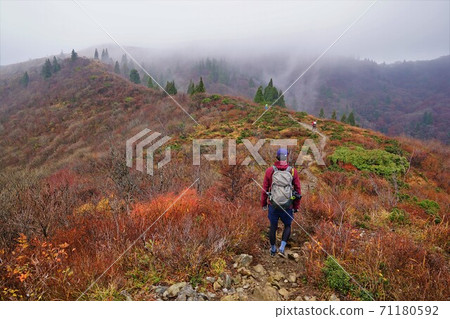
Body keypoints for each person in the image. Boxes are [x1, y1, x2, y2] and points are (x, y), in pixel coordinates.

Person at [261, 148, 301, 257]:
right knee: (287, 225)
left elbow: (265, 189)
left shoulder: (270, 170)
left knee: (273, 226)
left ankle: (273, 249)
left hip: (273, 205)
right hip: (288, 205)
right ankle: (282, 248)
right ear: (286, 157)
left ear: (277, 157)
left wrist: (264, 204)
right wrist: (296, 206)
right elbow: (297, 189)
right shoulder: (292, 171)